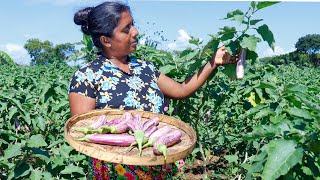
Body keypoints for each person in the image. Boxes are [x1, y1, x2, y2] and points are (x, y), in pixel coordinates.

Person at [68, 1, 238, 179]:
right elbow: (84, 133)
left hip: (157, 166)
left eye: (133, 24)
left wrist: (213, 62)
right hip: (115, 172)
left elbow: (181, 89)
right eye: (126, 29)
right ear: (106, 40)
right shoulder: (87, 76)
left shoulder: (145, 68)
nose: (136, 32)